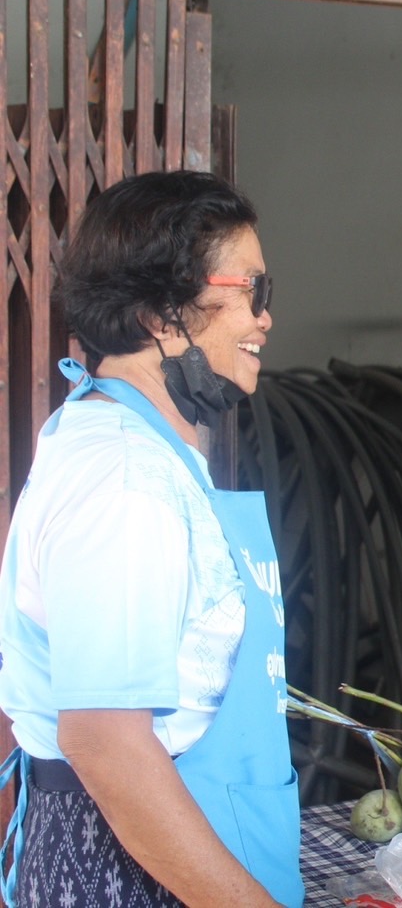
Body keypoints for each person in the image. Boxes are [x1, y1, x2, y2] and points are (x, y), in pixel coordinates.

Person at [0, 172, 301, 906]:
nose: (265, 320)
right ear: (163, 315)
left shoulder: (151, 451)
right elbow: (106, 743)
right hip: (127, 869)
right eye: (251, 293)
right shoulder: (124, 480)